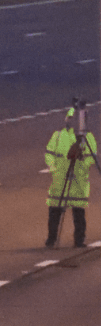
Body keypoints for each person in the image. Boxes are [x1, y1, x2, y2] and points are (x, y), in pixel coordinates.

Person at [45, 106, 97, 248]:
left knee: (79, 214)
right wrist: (53, 168)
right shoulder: (58, 135)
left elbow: (91, 157)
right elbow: (49, 154)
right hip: (60, 180)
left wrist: (82, 164)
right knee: (54, 211)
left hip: (78, 180)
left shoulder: (87, 137)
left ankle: (79, 240)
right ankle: (51, 239)